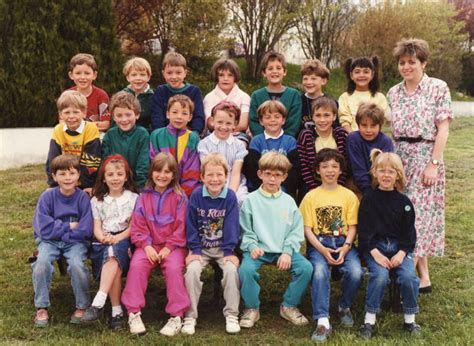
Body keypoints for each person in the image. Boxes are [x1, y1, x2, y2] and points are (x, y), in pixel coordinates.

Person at [387, 38, 453, 293]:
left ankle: (411, 278)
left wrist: (433, 163)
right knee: (404, 214)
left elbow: (443, 127)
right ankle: (418, 274)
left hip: (427, 155)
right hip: (400, 157)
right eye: (402, 62)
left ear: (423, 63)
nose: (406, 67)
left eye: (412, 62)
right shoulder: (394, 92)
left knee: (420, 217)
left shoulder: (438, 88)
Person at [239, 152, 313, 329]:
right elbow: (245, 230)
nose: (272, 179)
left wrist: (287, 252)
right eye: (268, 174)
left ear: (284, 177)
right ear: (260, 174)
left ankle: (288, 305)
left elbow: (295, 231)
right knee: (246, 270)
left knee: (306, 268)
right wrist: (252, 246)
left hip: (283, 250)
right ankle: (251, 308)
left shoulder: (288, 201)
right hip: (259, 250)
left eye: (277, 175)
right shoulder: (250, 200)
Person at [121, 153, 190, 336]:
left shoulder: (180, 197)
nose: (162, 175)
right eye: (158, 171)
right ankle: (133, 312)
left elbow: (182, 227)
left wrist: (169, 247)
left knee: (174, 269)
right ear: (152, 173)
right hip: (148, 246)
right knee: (137, 266)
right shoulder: (143, 197)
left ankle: (176, 315)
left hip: (173, 247)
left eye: (167, 172)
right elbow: (138, 226)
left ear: (174, 174)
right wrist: (146, 246)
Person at [299, 148, 363, 342]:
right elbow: (307, 229)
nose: (329, 170)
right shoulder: (311, 197)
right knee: (319, 272)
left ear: (341, 170)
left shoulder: (349, 196)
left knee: (355, 272)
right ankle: (322, 319)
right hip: (319, 243)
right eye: (324, 166)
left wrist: (346, 247)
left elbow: (353, 226)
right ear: (317, 170)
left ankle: (344, 306)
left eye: (334, 166)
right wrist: (321, 249)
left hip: (344, 242)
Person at [358, 149, 420, 339]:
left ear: (398, 175)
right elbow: (364, 231)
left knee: (409, 277)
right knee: (380, 276)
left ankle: (410, 319)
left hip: (399, 248)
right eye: (382, 171)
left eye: (391, 172)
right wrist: (375, 253)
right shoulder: (368, 200)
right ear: (375, 173)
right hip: (375, 247)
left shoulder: (404, 202)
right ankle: (369, 320)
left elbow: (410, 234)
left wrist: (402, 253)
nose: (386, 175)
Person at [182, 153, 241, 335]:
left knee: (231, 271)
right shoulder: (197, 196)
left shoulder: (230, 197)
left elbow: (232, 225)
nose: (215, 179)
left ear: (226, 176)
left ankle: (232, 314)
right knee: (191, 271)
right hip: (201, 248)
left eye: (219, 175)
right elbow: (190, 224)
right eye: (210, 175)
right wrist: (195, 249)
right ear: (202, 177)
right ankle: (190, 316)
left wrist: (230, 251)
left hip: (224, 248)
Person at [32, 155, 92, 327]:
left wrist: (59, 228)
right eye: (62, 174)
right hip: (49, 241)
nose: (67, 178)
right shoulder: (47, 197)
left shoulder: (82, 198)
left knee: (76, 264)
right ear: (54, 176)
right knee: (42, 262)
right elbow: (43, 228)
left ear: (78, 175)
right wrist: (69, 226)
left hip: (75, 242)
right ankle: (41, 307)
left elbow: (85, 229)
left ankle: (82, 306)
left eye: (72, 173)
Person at [81, 155, 139, 330]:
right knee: (112, 257)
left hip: (124, 240)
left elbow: (133, 227)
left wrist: (117, 238)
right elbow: (96, 227)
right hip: (102, 242)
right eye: (111, 175)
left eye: (119, 174)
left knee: (114, 254)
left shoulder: (134, 198)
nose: (115, 178)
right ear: (104, 178)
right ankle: (116, 311)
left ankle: (99, 300)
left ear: (126, 176)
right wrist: (102, 237)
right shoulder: (97, 200)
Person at [46, 90, 101, 195]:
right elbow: (52, 159)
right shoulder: (58, 130)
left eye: (76, 112)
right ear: (60, 115)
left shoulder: (90, 128)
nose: (71, 116)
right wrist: (53, 184)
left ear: (84, 112)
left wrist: (88, 185)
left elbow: (92, 161)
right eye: (67, 112)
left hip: (85, 182)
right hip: (63, 181)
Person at [244, 100, 299, 199]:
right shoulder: (256, 141)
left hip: (284, 189)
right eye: (267, 117)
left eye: (277, 117)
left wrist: (282, 189)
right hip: (260, 189)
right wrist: (264, 189)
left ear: (283, 120)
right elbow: (253, 169)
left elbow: (294, 170)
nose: (272, 120)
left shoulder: (290, 141)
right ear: (261, 121)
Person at [149, 95, 200, 197]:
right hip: (159, 190)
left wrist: (182, 194)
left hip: (184, 194)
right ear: (167, 114)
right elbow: (153, 165)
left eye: (184, 113)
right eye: (175, 112)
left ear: (190, 117)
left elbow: (193, 170)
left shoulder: (193, 138)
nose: (179, 117)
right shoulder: (157, 136)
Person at [198, 101, 248, 205]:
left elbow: (235, 173)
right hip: (211, 180)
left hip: (233, 183)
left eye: (228, 123)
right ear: (212, 121)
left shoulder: (239, 145)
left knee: (240, 200)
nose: (223, 127)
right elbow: (207, 170)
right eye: (220, 122)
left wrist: (230, 194)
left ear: (235, 124)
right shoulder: (204, 144)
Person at [297, 96, 348, 198]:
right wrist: (314, 188)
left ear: (334, 116)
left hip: (337, 184)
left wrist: (338, 186)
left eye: (326, 115)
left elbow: (345, 163)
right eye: (318, 115)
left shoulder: (341, 134)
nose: (322, 120)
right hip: (312, 186)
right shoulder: (306, 135)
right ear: (313, 117)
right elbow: (304, 165)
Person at [102, 91, 150, 190]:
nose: (124, 120)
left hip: (136, 185)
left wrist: (139, 187)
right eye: (119, 115)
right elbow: (105, 162)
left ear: (137, 115)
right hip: (114, 185)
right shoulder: (110, 135)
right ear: (113, 117)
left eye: (128, 115)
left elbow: (143, 164)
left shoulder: (142, 134)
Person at [249, 51, 302, 138]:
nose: (274, 71)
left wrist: (283, 141)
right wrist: (262, 140)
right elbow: (254, 121)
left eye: (278, 68)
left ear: (284, 72)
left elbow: (294, 122)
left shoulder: (294, 95)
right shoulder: (256, 95)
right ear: (264, 73)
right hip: (262, 142)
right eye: (270, 68)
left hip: (286, 142)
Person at [150, 51, 205, 134]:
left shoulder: (194, 91)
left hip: (188, 134)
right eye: (169, 73)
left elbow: (198, 116)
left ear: (185, 73)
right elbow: (157, 116)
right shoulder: (160, 91)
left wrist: (194, 133)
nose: (174, 77)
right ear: (163, 73)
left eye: (178, 73)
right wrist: (161, 134)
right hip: (165, 135)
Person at [346, 102, 394, 195]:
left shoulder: (386, 141)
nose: (368, 130)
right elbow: (358, 168)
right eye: (364, 125)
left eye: (373, 126)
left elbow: (387, 169)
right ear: (358, 124)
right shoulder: (353, 139)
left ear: (380, 126)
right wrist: (369, 193)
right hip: (356, 184)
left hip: (381, 185)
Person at [338, 56, 388, 133]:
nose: (361, 75)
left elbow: (382, 120)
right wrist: (354, 137)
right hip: (353, 138)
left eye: (366, 72)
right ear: (351, 75)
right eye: (357, 72)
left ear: (372, 75)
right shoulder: (345, 97)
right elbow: (345, 121)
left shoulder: (380, 97)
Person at [204, 58, 251, 139]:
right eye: (221, 75)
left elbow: (243, 124)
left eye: (230, 75)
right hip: (214, 134)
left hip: (238, 135)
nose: (226, 79)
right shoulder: (209, 98)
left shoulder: (244, 97)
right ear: (216, 76)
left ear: (235, 77)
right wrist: (222, 131)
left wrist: (227, 130)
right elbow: (210, 123)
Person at [67, 53, 110, 132]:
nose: (82, 77)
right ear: (71, 75)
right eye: (78, 73)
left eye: (87, 73)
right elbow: (62, 122)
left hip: (95, 137)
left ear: (94, 75)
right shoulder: (67, 96)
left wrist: (79, 125)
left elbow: (105, 124)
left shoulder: (101, 95)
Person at [299, 59, 339, 132]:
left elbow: (336, 127)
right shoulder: (298, 101)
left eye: (313, 79)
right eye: (305, 79)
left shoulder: (332, 102)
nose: (309, 82)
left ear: (323, 81)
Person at [122, 57, 154, 132]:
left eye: (142, 75)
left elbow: (154, 122)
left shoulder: (153, 97)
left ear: (148, 77)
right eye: (134, 75)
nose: (138, 78)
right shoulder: (122, 96)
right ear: (128, 77)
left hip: (145, 135)